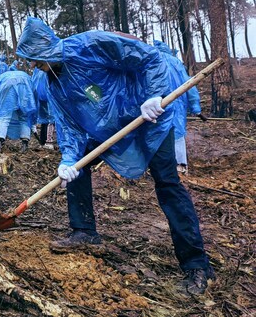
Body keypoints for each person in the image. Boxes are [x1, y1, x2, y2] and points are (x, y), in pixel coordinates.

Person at [16, 16, 215, 295]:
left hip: (149, 118)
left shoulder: (90, 44)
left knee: (168, 184)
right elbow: (68, 125)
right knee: (77, 170)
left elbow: (149, 58)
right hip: (109, 130)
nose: (34, 66)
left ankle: (197, 264)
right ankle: (83, 230)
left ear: (46, 49)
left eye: (35, 59)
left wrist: (153, 95)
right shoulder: (53, 83)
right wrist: (68, 159)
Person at [154, 40, 203, 175]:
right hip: (177, 104)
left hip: (156, 103)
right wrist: (195, 107)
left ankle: (161, 166)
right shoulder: (176, 62)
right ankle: (180, 165)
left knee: (159, 131)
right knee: (177, 132)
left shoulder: (152, 59)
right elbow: (189, 84)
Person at [0, 70, 37, 153]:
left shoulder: (1, 77)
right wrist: (33, 119)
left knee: (4, 117)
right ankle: (24, 145)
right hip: (25, 88)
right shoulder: (27, 77)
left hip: (7, 87)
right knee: (24, 118)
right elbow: (35, 96)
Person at [31, 66, 56, 147]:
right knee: (52, 118)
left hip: (38, 93)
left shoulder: (38, 68)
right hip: (49, 94)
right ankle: (49, 141)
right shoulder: (49, 66)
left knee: (44, 118)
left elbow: (33, 80)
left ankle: (42, 140)